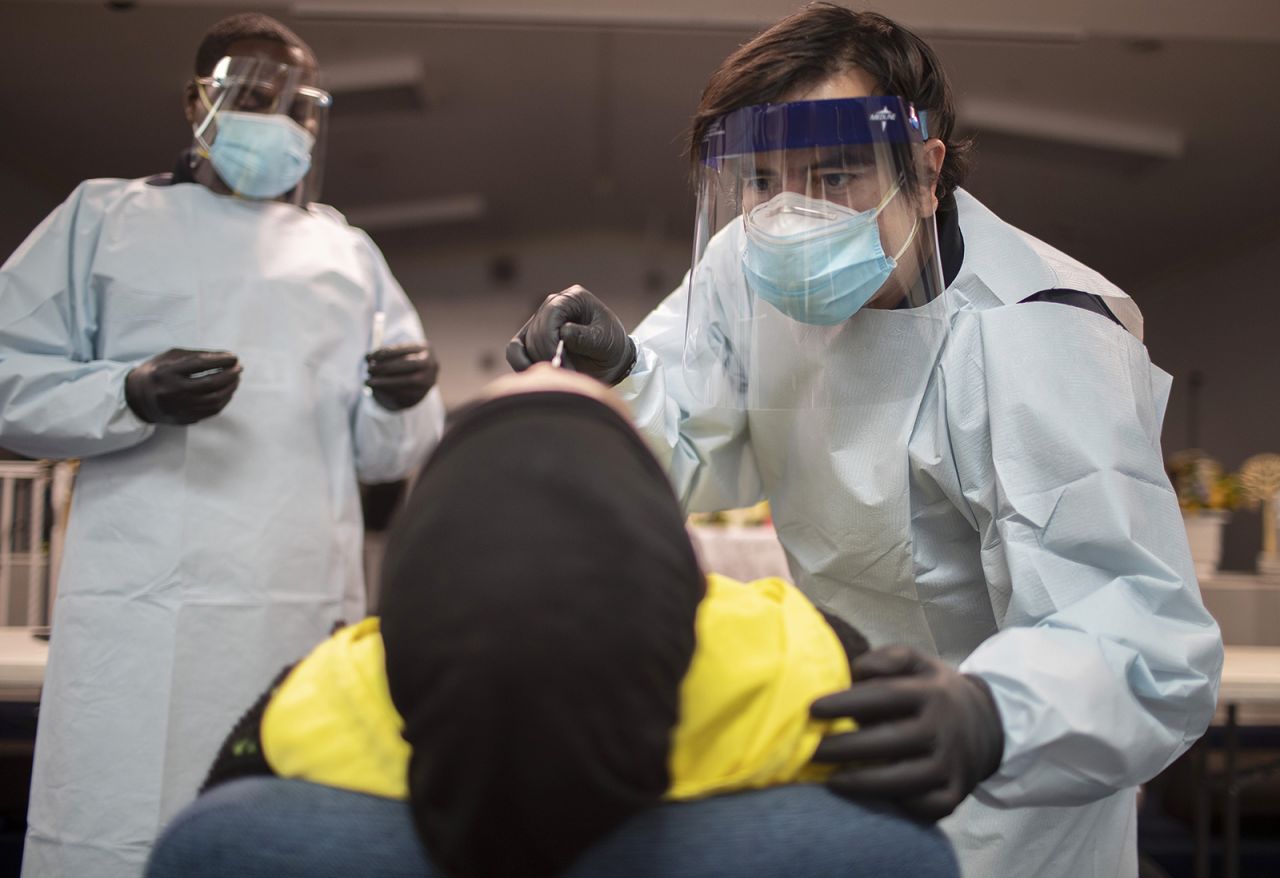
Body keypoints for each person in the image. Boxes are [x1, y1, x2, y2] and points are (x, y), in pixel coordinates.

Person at [505, 5, 1223, 876]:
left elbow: (1143, 638)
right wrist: (623, 377)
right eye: (763, 180)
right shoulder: (747, 268)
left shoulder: (1044, 334)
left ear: (925, 176)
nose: (788, 216)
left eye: (836, 175)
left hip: (1011, 796)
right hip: (839, 758)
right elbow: (695, 452)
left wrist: (994, 717)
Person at [145, 364, 960, 878]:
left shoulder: (330, 681)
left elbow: (224, 789)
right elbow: (917, 770)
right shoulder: (784, 641)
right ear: (673, 557)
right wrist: (977, 714)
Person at [0, 13, 445, 877]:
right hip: (141, 617)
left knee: (283, 840)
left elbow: (389, 453)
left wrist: (401, 401)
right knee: (119, 832)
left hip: (299, 612)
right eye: (251, 93)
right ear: (196, 100)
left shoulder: (346, 254)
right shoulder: (106, 218)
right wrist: (122, 393)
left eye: (294, 103)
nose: (274, 117)